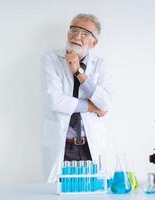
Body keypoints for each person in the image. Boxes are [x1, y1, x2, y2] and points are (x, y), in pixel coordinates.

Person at [41, 13, 113, 182]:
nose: (76, 36)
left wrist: (78, 72)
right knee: (60, 191)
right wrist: (92, 107)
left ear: (94, 42)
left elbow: (106, 103)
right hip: (62, 145)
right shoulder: (50, 60)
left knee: (93, 189)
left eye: (85, 34)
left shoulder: (100, 66)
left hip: (90, 144)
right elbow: (54, 100)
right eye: (73, 30)